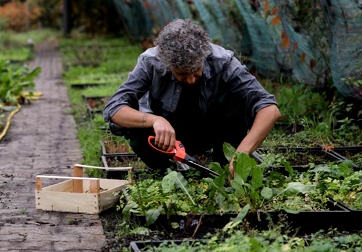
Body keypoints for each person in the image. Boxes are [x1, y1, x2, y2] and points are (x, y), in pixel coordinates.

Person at [103, 19, 280, 175]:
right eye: (181, 74)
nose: (190, 79)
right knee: (134, 124)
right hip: (170, 135)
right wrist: (155, 120)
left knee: (237, 98)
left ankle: (225, 158)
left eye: (196, 71)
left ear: (204, 56)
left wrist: (242, 152)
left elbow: (269, 108)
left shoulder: (223, 61)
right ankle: (164, 168)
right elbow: (115, 108)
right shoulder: (150, 62)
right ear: (167, 64)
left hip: (214, 128)